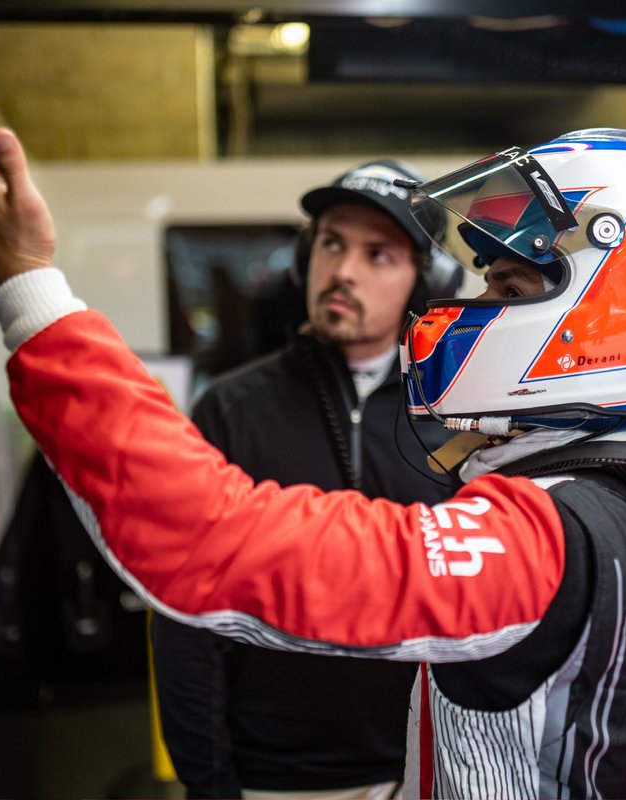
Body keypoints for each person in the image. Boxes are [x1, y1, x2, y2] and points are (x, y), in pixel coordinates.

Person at [0, 74, 626, 799]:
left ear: (619, 321)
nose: (476, 308)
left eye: (508, 288)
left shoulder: (542, 541)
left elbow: (206, 538)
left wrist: (30, 289)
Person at [150, 160, 459, 799]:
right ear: (305, 256)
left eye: (378, 254)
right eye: (332, 243)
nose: (344, 270)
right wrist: (210, 784)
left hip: (429, 769)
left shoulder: (459, 418)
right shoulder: (231, 411)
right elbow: (185, 619)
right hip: (272, 775)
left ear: (424, 282)